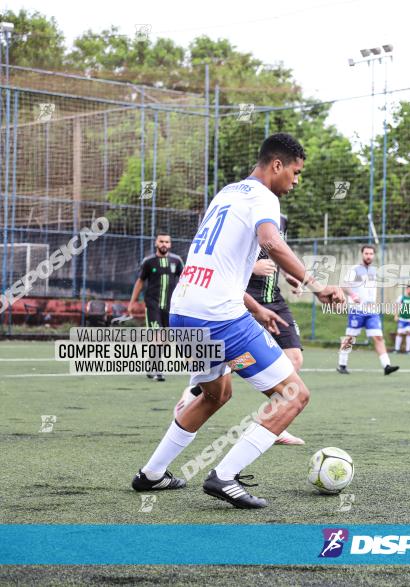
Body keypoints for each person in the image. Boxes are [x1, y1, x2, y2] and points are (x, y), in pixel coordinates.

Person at [130, 133, 344, 509]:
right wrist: (316, 285)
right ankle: (224, 477)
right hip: (219, 319)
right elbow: (271, 241)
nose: (295, 181)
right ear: (276, 165)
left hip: (184, 312)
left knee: (217, 394)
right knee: (293, 395)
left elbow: (220, 262)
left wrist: (257, 306)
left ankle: (151, 474)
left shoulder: (227, 193)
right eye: (295, 173)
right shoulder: (265, 198)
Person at [173, 214, 305, 446]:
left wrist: (290, 275)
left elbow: (278, 251)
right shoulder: (243, 212)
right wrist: (254, 267)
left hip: (273, 299)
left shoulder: (280, 218)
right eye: (293, 174)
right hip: (242, 296)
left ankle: (272, 423)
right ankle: (195, 392)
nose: (293, 182)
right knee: (236, 362)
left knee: (294, 357)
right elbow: (221, 257)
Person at [127, 233, 183, 382]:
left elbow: (184, 281)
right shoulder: (149, 262)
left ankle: (151, 364)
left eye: (167, 242)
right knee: (157, 338)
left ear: (170, 244)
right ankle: (158, 370)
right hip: (153, 306)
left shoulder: (176, 261)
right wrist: (132, 302)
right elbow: (140, 282)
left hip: (170, 308)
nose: (164, 244)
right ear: (156, 243)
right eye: (161, 241)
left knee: (165, 340)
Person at [337, 245, 399, 375]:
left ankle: (386, 365)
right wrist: (353, 295)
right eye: (366, 253)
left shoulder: (373, 271)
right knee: (350, 338)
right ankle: (342, 364)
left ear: (374, 255)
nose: (369, 256)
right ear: (362, 254)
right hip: (357, 310)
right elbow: (344, 285)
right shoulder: (355, 270)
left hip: (372, 312)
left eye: (371, 254)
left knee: (378, 337)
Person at [394, 285, 410, 354]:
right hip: (402, 319)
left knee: (409, 333)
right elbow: (396, 306)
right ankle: (397, 349)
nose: (409, 291)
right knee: (399, 333)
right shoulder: (401, 297)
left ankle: (408, 350)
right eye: (408, 289)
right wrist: (396, 315)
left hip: (409, 319)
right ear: (406, 290)